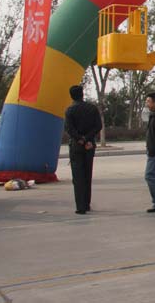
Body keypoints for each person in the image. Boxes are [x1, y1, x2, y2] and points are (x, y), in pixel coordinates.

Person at [64, 85, 102, 215]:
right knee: (87, 174)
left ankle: (80, 206)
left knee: (78, 176)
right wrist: (87, 138)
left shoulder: (70, 110)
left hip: (76, 146)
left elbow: (69, 129)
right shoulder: (92, 108)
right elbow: (98, 126)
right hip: (90, 144)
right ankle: (86, 203)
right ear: (82, 94)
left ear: (71, 96)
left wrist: (80, 139)